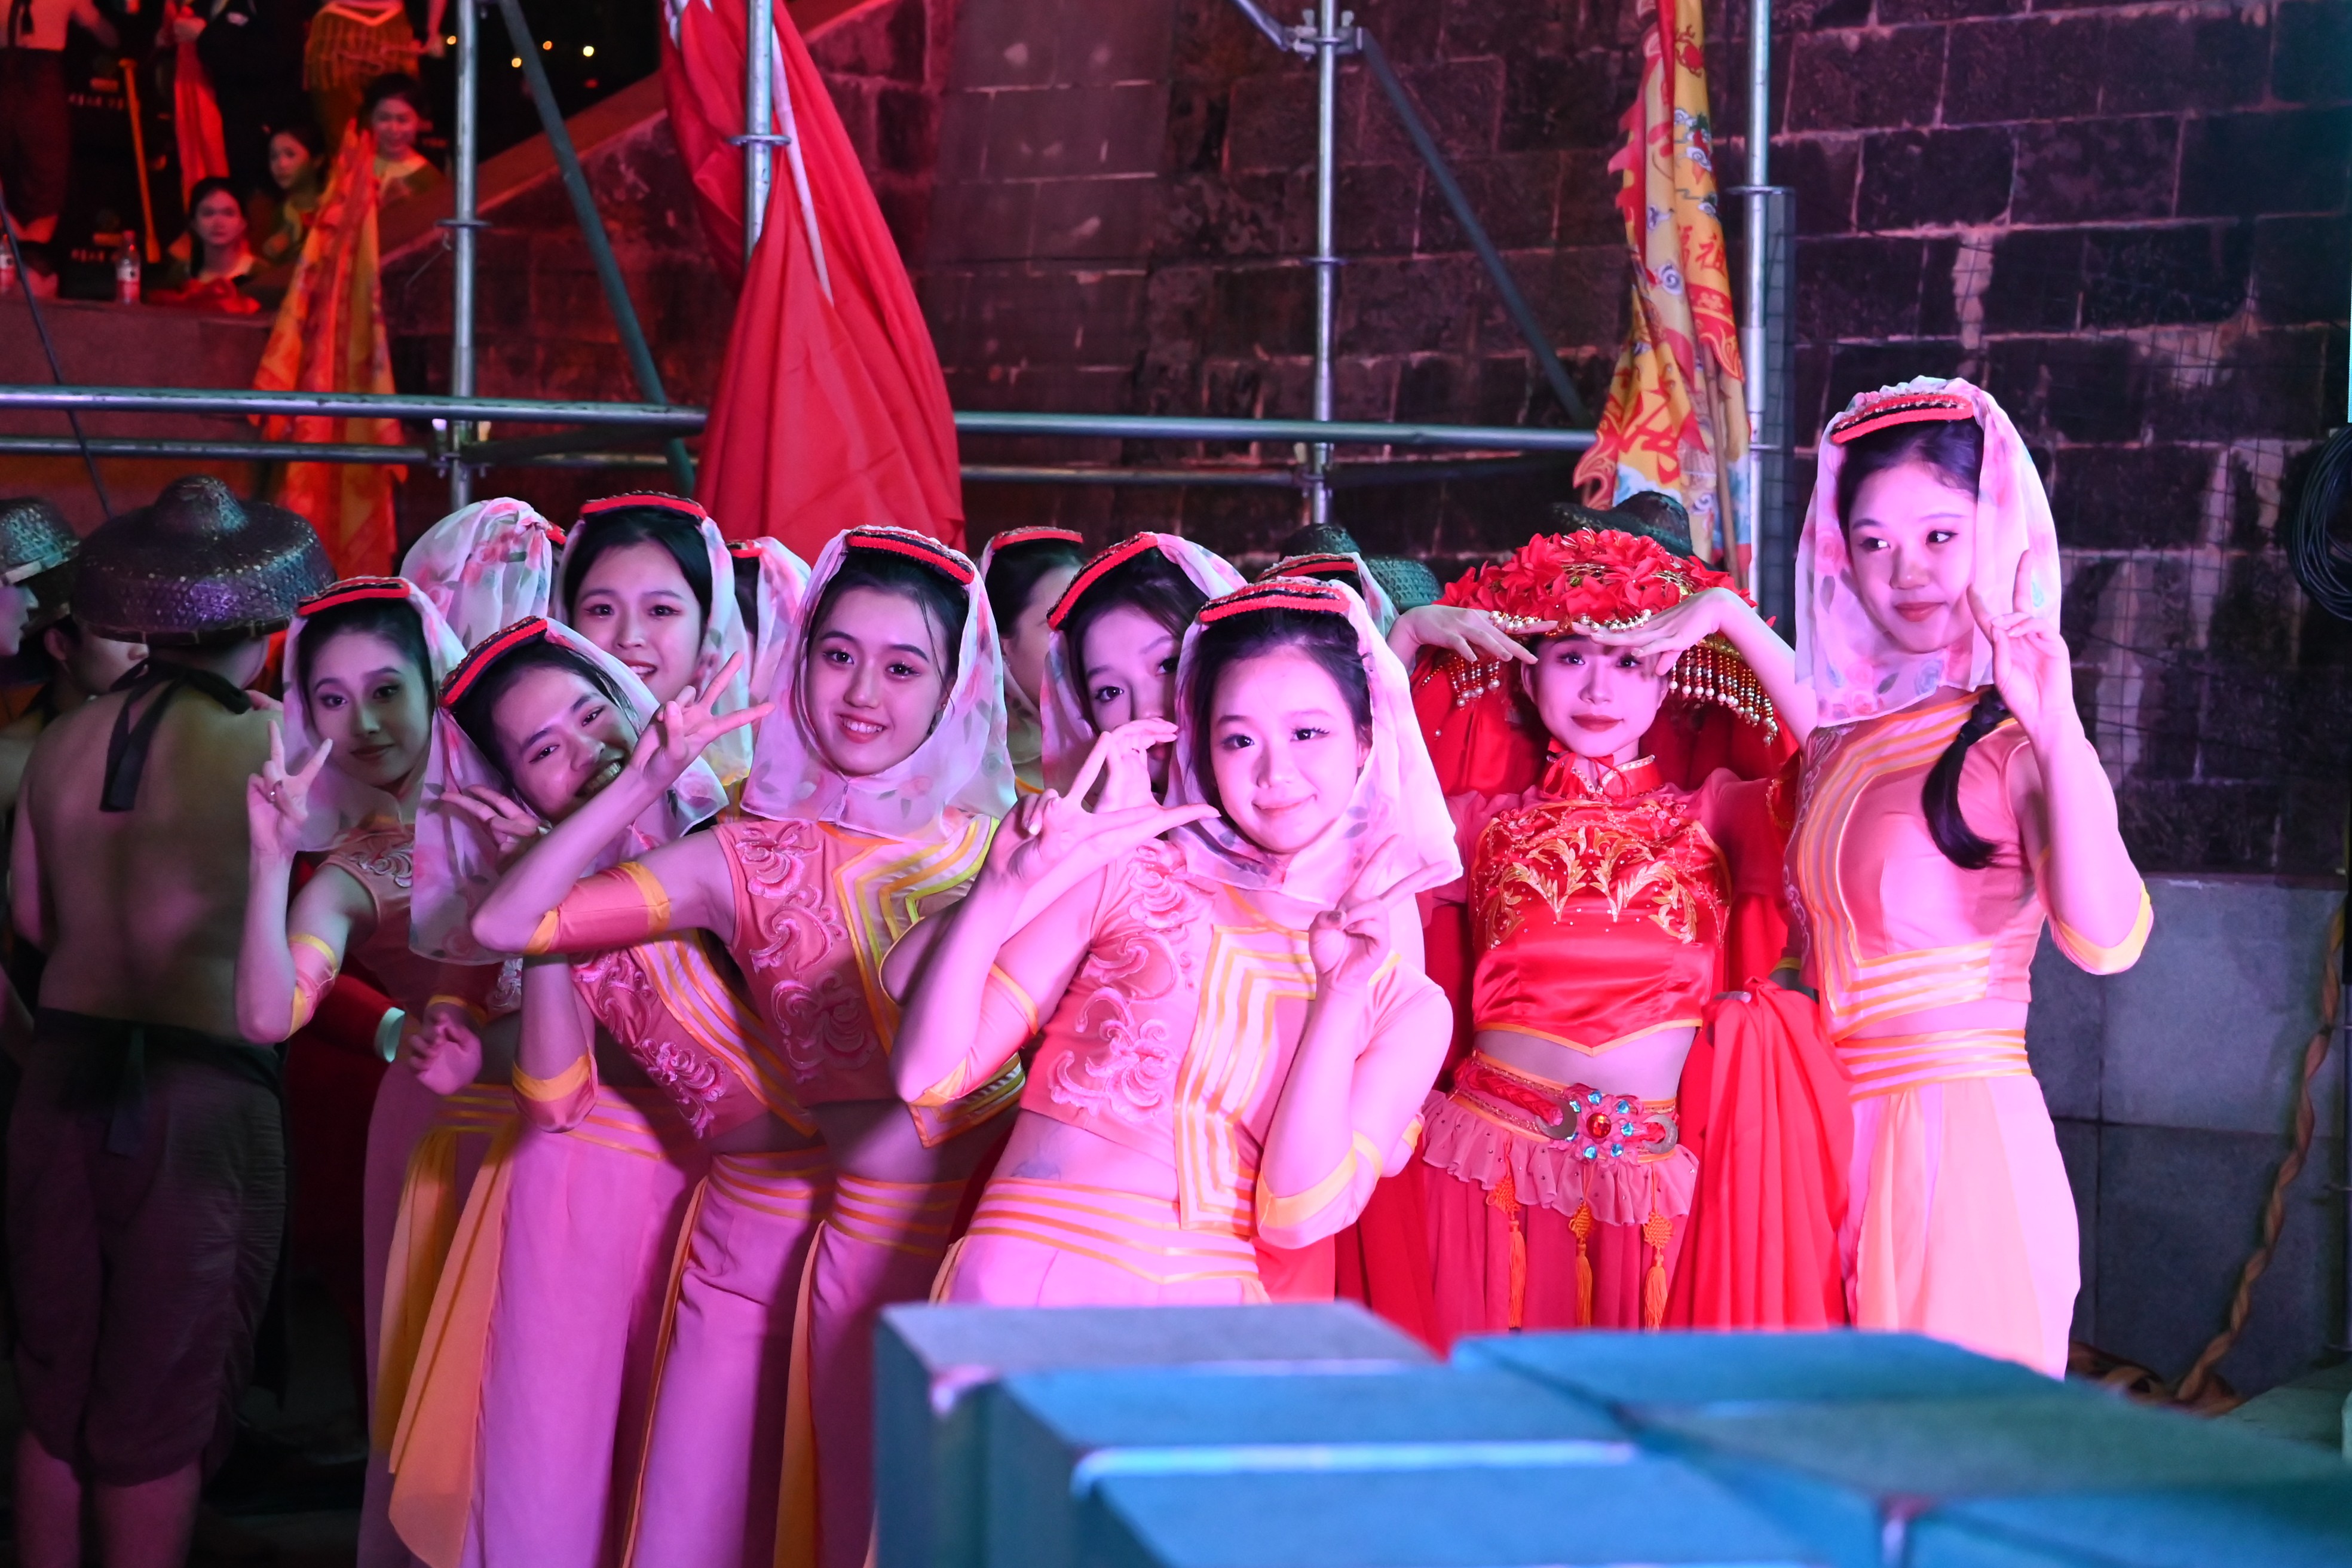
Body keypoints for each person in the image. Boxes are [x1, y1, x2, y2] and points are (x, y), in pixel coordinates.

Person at [471, 525, 1021, 1568]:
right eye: (837, 653)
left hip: (994, 1241)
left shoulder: (1003, 843)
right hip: (855, 1241)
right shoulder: (739, 852)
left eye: (904, 667)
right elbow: (511, 925)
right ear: (800, 659)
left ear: (956, 686)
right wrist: (641, 781)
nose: (862, 692)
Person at [889, 577, 1457, 1307]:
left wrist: (1341, 995)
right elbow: (926, 1075)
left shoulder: (1403, 998)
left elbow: (1297, 1215)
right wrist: (1006, 883)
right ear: (1204, 750)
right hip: (1015, 1286)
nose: (1275, 772)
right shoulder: (1130, 874)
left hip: (1205, 1316)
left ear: (1365, 744)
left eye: (1308, 733)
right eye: (1239, 739)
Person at [1783, 378, 2149, 1376]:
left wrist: (2057, 723)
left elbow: (2106, 939)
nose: (1906, 572)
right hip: (1821, 1137)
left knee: (1945, 1449)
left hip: (1958, 1142)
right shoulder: (1838, 746)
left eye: (1940, 535)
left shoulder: (2016, 741)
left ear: (1997, 536)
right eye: (1873, 542)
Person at [1405, 523, 1845, 1340]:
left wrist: (1730, 618)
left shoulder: (1715, 815)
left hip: (1651, 1184)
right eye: (1572, 657)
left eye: (1630, 660)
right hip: (1486, 1168)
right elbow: (1353, 807)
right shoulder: (1480, 827)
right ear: (1527, 672)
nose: (1599, 689)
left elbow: (1840, 760)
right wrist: (1403, 641)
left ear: (1669, 675)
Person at [7, 475, 333, 1568]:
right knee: (163, 1393)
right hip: (196, 1100)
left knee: (57, 1381)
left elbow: (33, 919)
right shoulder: (277, 745)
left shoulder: (62, 741)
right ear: (267, 625)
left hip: (60, 1078)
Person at [230, 577, 500, 1568]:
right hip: (439, 1137)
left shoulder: (532, 798)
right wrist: (270, 862)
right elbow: (270, 1013)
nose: (366, 723)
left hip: (579, 1126)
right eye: (333, 699)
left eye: (387, 689)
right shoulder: (354, 866)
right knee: (446, 1392)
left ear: (436, 682)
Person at [556, 493, 754, 783]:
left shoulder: (741, 793)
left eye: (661, 610)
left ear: (708, 627)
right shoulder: (535, 784)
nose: (629, 637)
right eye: (602, 610)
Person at [1037, 532, 1243, 797]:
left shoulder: (1285, 807)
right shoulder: (1084, 821)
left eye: (1169, 665)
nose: (1144, 712)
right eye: (1110, 692)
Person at [0, 0, 117, 290]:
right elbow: (110, 36)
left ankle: (30, 264)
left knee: (46, 178)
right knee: (39, 178)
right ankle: (23, 260)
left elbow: (111, 36)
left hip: (41, 88)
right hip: (20, 86)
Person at [976, 525, 1085, 794]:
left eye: (1088, 620)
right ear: (1001, 646)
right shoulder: (971, 773)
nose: (1083, 642)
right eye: (1058, 625)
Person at [305, 2, 433, 155]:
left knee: (343, 143)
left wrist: (431, 30)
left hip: (340, 25)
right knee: (388, 140)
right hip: (385, 25)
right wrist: (431, 30)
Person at [151, 177, 260, 311]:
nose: (218, 222)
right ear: (194, 223)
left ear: (243, 223)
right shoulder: (180, 274)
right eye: (208, 213)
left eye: (228, 213)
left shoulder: (261, 274)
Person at [359, 73, 441, 203]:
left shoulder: (429, 179)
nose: (394, 129)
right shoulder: (355, 164)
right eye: (384, 118)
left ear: (419, 122)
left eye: (403, 120)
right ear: (370, 118)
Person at [255, 121, 326, 271]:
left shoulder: (334, 204)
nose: (281, 164)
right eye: (274, 157)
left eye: (290, 154)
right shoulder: (281, 214)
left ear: (317, 160)